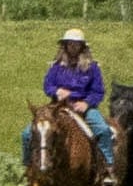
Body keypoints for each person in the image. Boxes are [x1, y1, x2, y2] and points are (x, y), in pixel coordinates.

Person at [38, 29, 118, 177]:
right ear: (65, 45)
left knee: (103, 129)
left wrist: (86, 103)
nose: (73, 47)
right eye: (70, 44)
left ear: (82, 47)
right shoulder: (56, 66)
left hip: (82, 106)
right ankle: (29, 169)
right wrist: (56, 92)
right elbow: (47, 85)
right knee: (30, 132)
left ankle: (108, 167)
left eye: (76, 44)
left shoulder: (92, 67)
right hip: (58, 107)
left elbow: (98, 91)